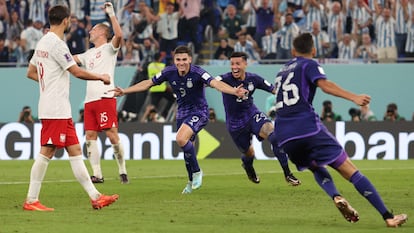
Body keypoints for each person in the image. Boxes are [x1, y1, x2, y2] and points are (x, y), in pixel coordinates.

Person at [271, 32, 407, 227]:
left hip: (284, 134)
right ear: (314, 50)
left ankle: (335, 196)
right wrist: (354, 98)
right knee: (350, 171)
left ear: (293, 51)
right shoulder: (309, 64)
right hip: (307, 128)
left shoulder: (282, 71)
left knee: (315, 166)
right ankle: (388, 217)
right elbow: (325, 85)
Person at [111, 45, 248, 194]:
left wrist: (234, 91)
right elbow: (148, 83)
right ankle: (190, 182)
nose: (181, 62)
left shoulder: (198, 72)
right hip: (182, 114)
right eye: (178, 60)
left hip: (199, 112)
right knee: (188, 152)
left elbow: (215, 84)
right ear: (174, 60)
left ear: (190, 59)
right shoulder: (169, 72)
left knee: (181, 138)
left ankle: (197, 172)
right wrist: (125, 91)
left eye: (184, 59)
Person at [23, 5, 118, 211]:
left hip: (59, 108)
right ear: (66, 21)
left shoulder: (42, 42)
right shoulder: (57, 44)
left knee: (75, 151)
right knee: (47, 151)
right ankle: (31, 200)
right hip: (54, 107)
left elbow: (31, 72)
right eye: (70, 20)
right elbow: (77, 72)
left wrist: (49, 80)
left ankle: (96, 196)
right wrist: (101, 76)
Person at [216, 52, 300, 186]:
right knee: (249, 154)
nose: (234, 67)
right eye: (232, 64)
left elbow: (274, 90)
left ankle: (287, 174)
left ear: (245, 64)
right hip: (235, 124)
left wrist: (291, 95)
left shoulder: (253, 79)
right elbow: (212, 83)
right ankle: (248, 167)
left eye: (238, 63)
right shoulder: (225, 79)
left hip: (252, 114)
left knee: (274, 136)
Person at [73, 2, 128, 184]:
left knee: (112, 134)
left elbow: (119, 35)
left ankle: (122, 170)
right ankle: (97, 174)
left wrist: (111, 13)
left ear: (102, 33)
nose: (90, 32)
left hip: (106, 97)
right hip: (90, 101)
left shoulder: (109, 49)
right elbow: (70, 60)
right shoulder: (88, 53)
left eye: (93, 30)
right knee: (90, 136)